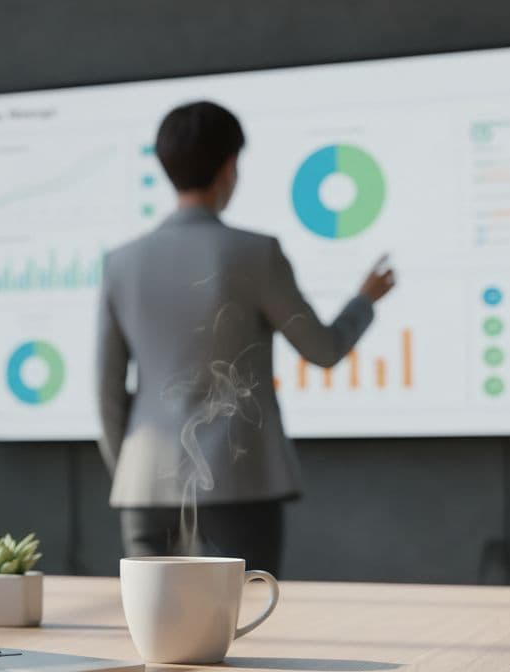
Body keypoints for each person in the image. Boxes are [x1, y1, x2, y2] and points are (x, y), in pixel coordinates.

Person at [96, 101, 395, 576]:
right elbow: (322, 349)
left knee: (155, 637)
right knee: (241, 630)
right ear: (230, 166)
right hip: (238, 484)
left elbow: (107, 393)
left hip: (143, 486)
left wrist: (132, 471)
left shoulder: (121, 262)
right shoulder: (255, 253)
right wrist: (365, 300)